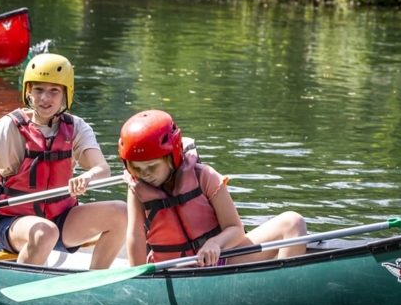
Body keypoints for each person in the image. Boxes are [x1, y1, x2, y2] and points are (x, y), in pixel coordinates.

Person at [0, 53, 127, 268]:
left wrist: (87, 176)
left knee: (121, 212)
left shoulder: (77, 127)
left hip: (62, 217)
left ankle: (95, 280)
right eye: (38, 89)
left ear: (65, 94)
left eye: (54, 91)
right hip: (14, 223)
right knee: (45, 232)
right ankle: (18, 282)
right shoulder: (10, 128)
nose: (45, 98)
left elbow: (102, 168)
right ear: (28, 92)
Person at [118, 109, 307, 267]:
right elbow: (135, 234)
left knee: (293, 222)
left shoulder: (204, 176)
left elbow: (235, 229)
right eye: (137, 168)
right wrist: (138, 277)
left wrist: (215, 243)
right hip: (172, 270)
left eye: (152, 167)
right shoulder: (137, 189)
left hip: (220, 261)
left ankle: (282, 289)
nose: (145, 174)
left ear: (172, 157)